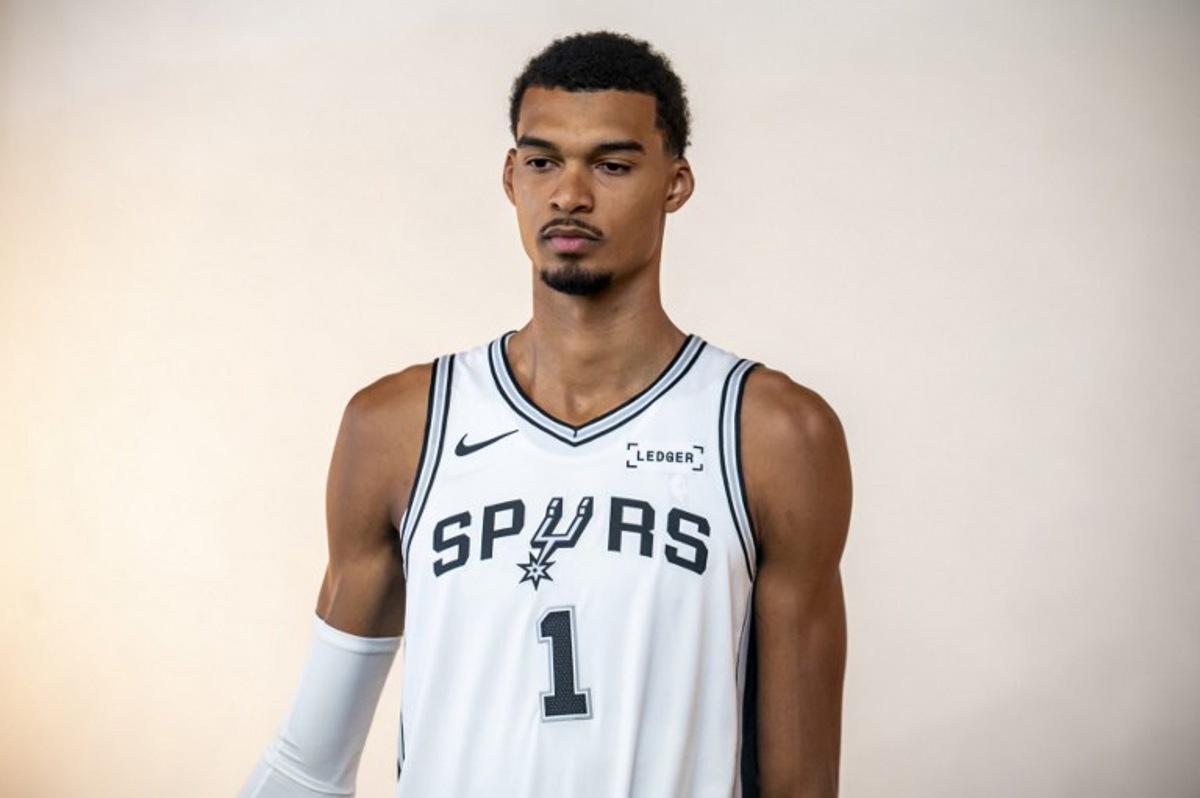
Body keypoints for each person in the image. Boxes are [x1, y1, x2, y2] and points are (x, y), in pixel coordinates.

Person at [239, 29, 852, 798]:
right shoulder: (398, 427)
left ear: (676, 181)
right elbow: (307, 764)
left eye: (612, 164)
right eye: (542, 161)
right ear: (510, 176)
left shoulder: (772, 433)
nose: (569, 195)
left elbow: (801, 784)